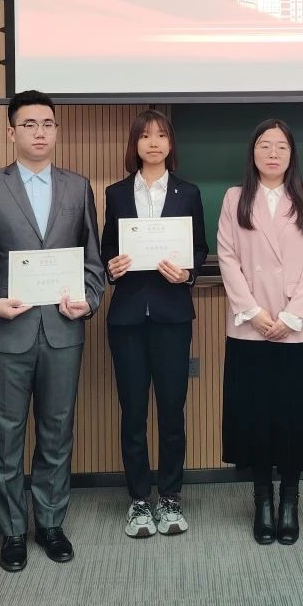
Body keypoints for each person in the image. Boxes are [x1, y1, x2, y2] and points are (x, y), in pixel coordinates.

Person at [0, 90, 105, 571]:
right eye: (29, 124)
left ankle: (49, 522)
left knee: (57, 430)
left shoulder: (78, 187)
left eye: (47, 123)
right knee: (5, 434)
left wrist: (89, 299)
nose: (39, 132)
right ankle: (11, 530)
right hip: (8, 331)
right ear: (11, 132)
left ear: (56, 131)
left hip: (63, 330)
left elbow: (93, 260)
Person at [217, 119, 303, 545]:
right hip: (251, 326)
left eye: (281, 146)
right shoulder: (234, 198)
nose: (273, 153)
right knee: (256, 416)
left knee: (294, 416)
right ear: (253, 153)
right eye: (265, 145)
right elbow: (227, 257)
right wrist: (252, 311)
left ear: (291, 153)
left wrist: (293, 316)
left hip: (295, 327)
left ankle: (290, 500)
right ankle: (262, 499)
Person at [100, 109, 208, 538]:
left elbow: (199, 249)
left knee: (171, 410)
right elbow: (107, 248)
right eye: (145, 136)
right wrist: (112, 267)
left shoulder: (189, 192)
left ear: (170, 144)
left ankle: (171, 496)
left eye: (161, 135)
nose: (154, 143)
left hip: (172, 316)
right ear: (135, 144)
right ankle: (139, 499)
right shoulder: (116, 193)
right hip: (127, 317)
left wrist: (187, 273)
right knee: (133, 412)